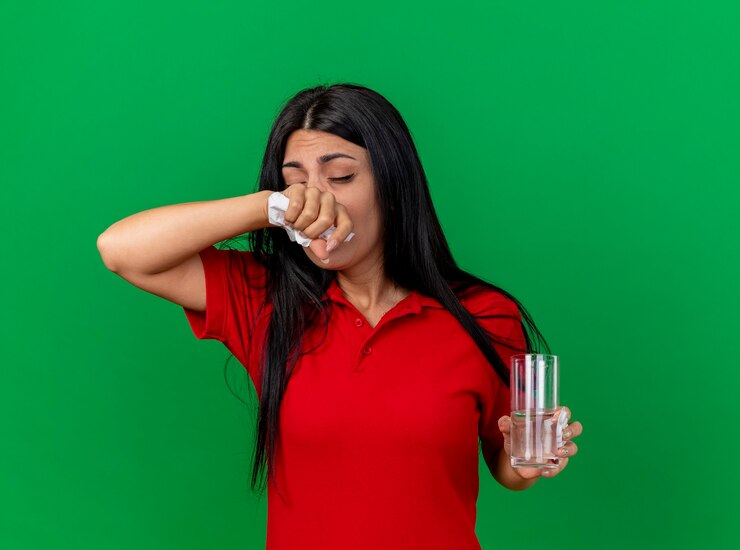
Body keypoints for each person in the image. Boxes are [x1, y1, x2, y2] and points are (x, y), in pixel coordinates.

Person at [97, 83, 583, 550]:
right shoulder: (267, 299)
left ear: (391, 184)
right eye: (295, 184)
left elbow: (505, 463)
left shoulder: (485, 315)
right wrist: (267, 207)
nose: (316, 200)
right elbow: (121, 250)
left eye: (341, 176)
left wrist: (528, 462)